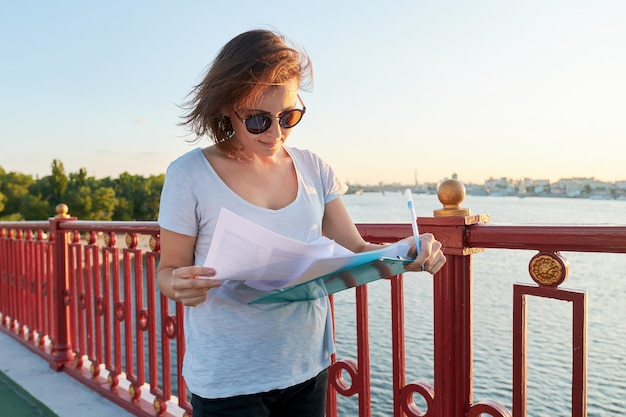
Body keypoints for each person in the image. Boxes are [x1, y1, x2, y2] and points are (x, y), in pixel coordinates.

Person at [157, 29, 446, 417]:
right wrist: (178, 286)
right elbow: (168, 270)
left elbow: (357, 250)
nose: (276, 133)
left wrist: (408, 253)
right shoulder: (189, 174)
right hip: (228, 377)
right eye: (258, 120)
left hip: (306, 366)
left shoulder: (314, 168)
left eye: (289, 116)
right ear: (227, 107)